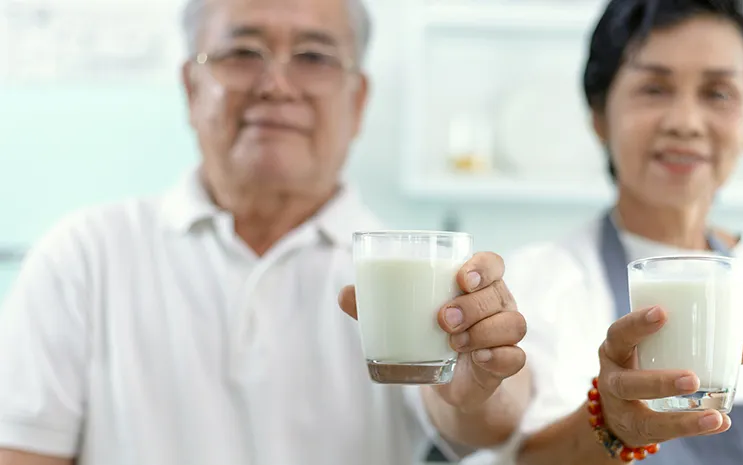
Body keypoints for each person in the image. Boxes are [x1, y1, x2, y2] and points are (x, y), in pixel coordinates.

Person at [0, 0, 531, 463]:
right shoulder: (84, 257)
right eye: (242, 53)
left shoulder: (415, 274)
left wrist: (484, 381)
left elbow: (477, 420)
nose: (276, 84)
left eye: (314, 58)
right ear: (190, 86)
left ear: (359, 99)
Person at [481, 0, 743, 464]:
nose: (684, 122)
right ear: (599, 115)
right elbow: (521, 459)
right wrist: (613, 425)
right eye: (654, 89)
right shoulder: (543, 281)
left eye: (718, 93)